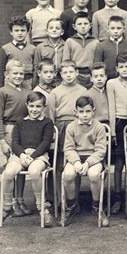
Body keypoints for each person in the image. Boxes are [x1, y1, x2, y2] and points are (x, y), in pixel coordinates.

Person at [0, 92, 55, 227]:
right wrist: (22, 155)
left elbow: (45, 143)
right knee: (8, 173)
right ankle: (7, 207)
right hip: (20, 155)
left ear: (44, 107)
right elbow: (15, 142)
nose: (34, 109)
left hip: (39, 156)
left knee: (34, 171)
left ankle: (41, 207)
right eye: (31, 106)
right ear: (27, 106)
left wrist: (32, 156)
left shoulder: (47, 123)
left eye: (38, 106)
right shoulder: (20, 122)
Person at [60, 96, 108, 226]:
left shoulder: (99, 127)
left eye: (88, 111)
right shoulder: (71, 127)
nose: (85, 115)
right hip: (76, 158)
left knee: (93, 175)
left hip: (93, 158)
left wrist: (88, 163)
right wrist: (76, 162)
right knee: (68, 175)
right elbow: (68, 148)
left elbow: (100, 150)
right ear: (75, 112)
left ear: (93, 111)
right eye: (81, 112)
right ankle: (71, 205)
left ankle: (97, 206)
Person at [0, 60, 31, 217]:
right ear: (6, 75)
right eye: (15, 73)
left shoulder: (27, 90)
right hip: (9, 129)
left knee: (22, 164)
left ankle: (20, 200)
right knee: (12, 165)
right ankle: (9, 202)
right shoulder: (2, 92)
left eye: (21, 73)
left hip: (24, 129)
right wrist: (2, 140)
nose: (18, 76)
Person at [47, 60, 87, 202]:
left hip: (78, 126)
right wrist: (52, 132)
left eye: (71, 72)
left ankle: (73, 198)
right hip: (61, 127)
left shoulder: (83, 91)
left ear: (76, 72)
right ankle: (58, 198)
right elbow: (50, 115)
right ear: (60, 75)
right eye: (65, 73)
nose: (69, 75)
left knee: (75, 160)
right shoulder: (55, 92)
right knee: (59, 163)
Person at [106, 53, 127, 215]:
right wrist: (111, 129)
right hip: (118, 124)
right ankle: (117, 198)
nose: (124, 69)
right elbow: (111, 107)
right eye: (121, 67)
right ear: (117, 68)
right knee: (119, 164)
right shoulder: (111, 83)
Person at [62, 12, 100, 89]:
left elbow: (97, 62)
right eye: (79, 24)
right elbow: (66, 62)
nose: (83, 26)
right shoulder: (70, 41)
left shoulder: (96, 42)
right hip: (75, 76)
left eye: (85, 24)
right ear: (74, 26)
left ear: (90, 26)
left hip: (91, 76)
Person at [0, 16, 35, 89]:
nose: (20, 33)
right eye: (16, 30)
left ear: (27, 32)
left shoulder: (33, 48)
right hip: (10, 83)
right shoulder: (5, 48)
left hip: (28, 83)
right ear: (11, 32)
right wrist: (0, 87)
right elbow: (1, 69)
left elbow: (35, 69)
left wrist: (34, 85)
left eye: (23, 30)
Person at [94, 15, 127, 80]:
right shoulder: (101, 45)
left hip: (125, 78)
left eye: (119, 28)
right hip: (107, 79)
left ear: (124, 29)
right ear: (108, 29)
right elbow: (97, 64)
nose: (115, 31)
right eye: (112, 28)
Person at [34, 17, 65, 86]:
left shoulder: (66, 46)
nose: (54, 30)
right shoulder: (40, 47)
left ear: (62, 32)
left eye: (57, 28)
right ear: (47, 31)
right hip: (45, 81)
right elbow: (36, 66)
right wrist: (35, 84)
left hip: (61, 81)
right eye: (51, 28)